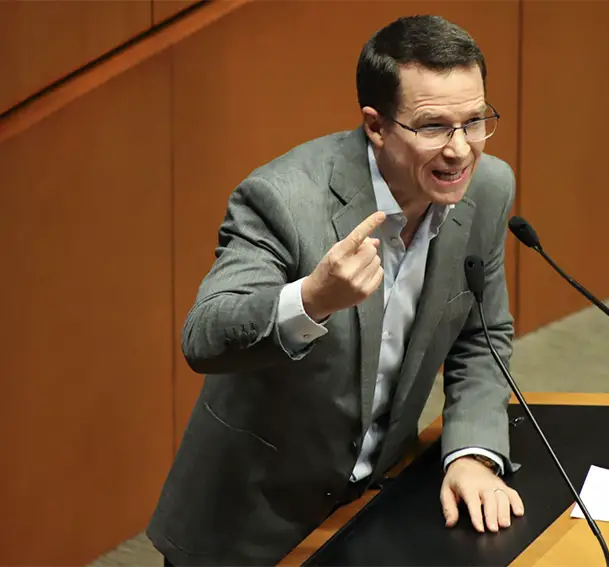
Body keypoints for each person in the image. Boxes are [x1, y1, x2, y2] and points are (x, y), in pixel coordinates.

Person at [147, 14, 524, 566]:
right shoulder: (284, 200)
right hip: (249, 528)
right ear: (376, 126)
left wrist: (472, 452)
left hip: (373, 510)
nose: (461, 149)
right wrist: (311, 300)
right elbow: (204, 337)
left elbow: (482, 337)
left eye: (473, 121)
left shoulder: (487, 190)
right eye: (434, 126)